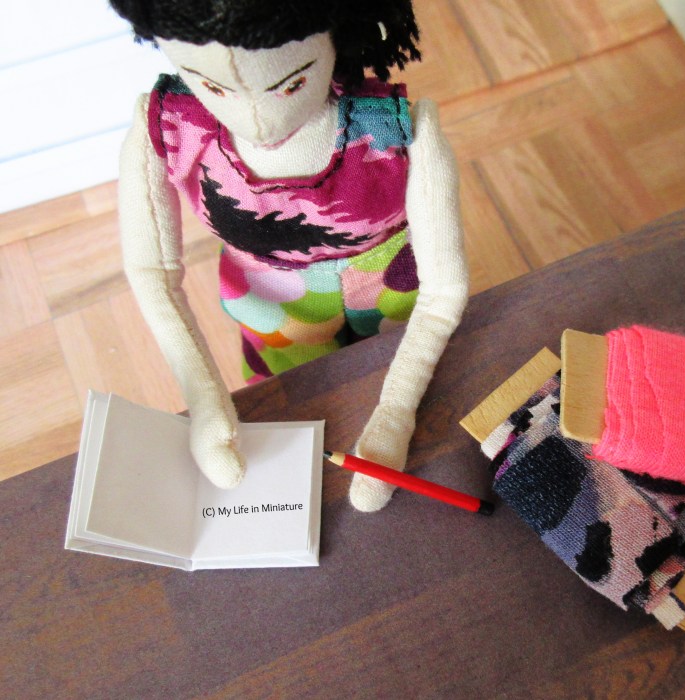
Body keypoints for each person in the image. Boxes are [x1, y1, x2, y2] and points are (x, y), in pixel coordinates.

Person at [109, 0, 468, 512]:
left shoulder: (400, 129)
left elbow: (444, 290)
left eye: (292, 83)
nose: (256, 119)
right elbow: (152, 272)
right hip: (272, 304)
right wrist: (205, 403)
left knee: (427, 385)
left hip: (397, 288)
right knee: (291, 400)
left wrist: (395, 414)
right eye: (212, 86)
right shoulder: (167, 129)